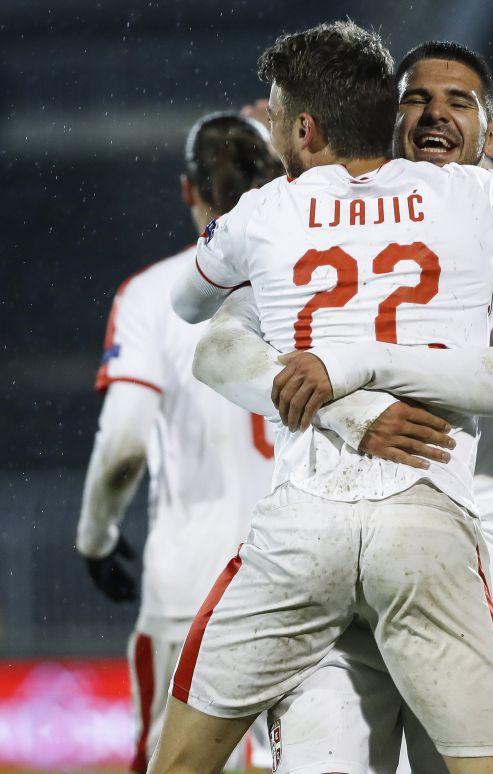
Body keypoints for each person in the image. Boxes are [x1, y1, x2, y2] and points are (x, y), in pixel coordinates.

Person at [151, 22, 493, 774]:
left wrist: (348, 366)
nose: (435, 114)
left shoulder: (288, 214)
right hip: (416, 547)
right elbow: (216, 348)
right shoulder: (485, 211)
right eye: (416, 99)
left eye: (460, 102)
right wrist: (350, 408)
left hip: (477, 566)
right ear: (385, 115)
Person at [76, 112, 282, 772]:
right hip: (299, 572)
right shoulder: (316, 279)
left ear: (188, 189)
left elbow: (124, 445)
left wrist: (96, 540)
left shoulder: (149, 295)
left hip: (190, 584)